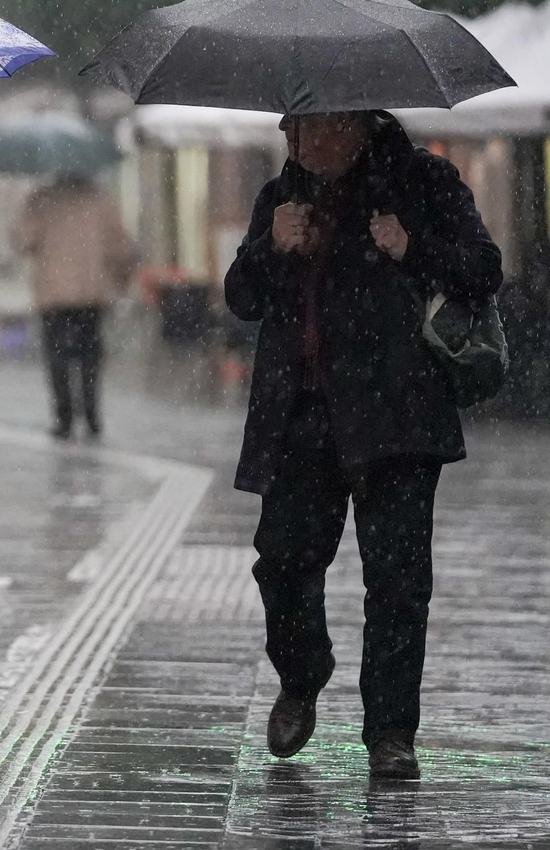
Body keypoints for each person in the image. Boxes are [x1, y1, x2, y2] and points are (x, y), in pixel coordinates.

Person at [224, 110, 501, 780]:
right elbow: (240, 296)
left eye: (310, 127)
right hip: (304, 417)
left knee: (399, 584)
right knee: (283, 563)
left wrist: (414, 247)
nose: (295, 140)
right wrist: (269, 245)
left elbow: (484, 270)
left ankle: (390, 732)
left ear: (354, 123)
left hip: (398, 416)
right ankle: (303, 671)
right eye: (290, 128)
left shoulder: (424, 182)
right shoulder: (282, 197)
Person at [13, 172, 137, 440]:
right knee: (89, 357)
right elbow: (120, 246)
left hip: (54, 296)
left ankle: (64, 418)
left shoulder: (42, 200)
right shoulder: (101, 200)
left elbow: (23, 241)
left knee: (58, 359)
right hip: (90, 295)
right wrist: (120, 274)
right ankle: (92, 416)